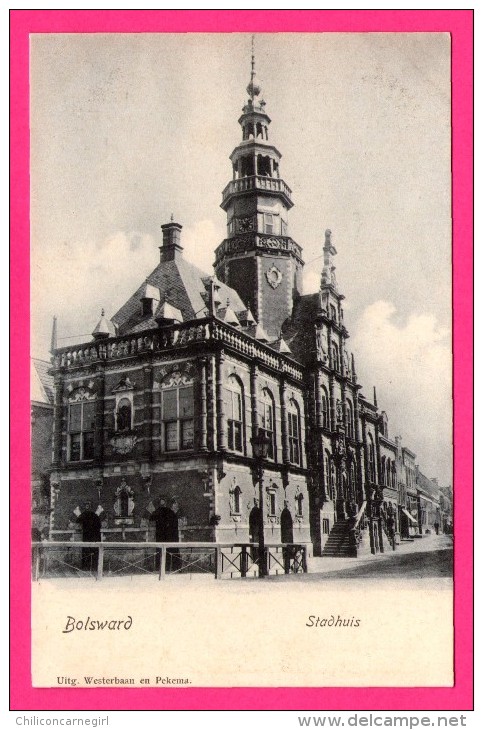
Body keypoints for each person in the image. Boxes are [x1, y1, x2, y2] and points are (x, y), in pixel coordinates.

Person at [77, 502, 102, 571]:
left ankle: (87, 566)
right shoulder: (94, 515)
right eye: (86, 506)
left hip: (88, 536)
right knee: (91, 551)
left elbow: (78, 521)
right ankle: (93, 566)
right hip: (93, 537)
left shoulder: (85, 515)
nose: (87, 507)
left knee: (87, 551)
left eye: (88, 506)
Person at [280, 501, 295, 573]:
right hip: (287, 541)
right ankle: (288, 567)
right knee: (287, 554)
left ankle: (288, 567)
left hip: (288, 541)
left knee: (288, 554)